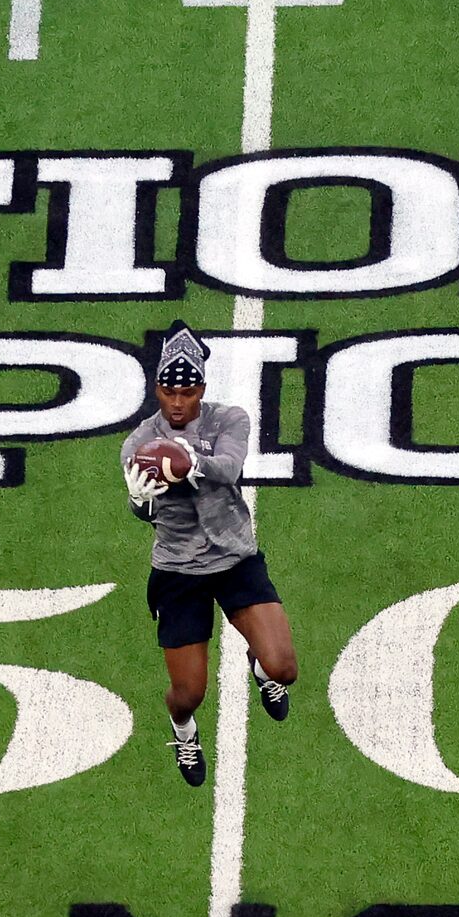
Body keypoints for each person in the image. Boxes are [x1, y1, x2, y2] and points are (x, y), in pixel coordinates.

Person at [122, 323, 298, 786]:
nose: (177, 401)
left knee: (284, 666)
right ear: (156, 388)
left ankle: (261, 669)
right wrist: (140, 502)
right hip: (178, 570)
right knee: (188, 694)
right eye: (168, 390)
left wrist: (190, 462)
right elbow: (143, 510)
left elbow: (230, 466)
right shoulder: (138, 443)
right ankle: (183, 731)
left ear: (201, 387)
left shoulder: (229, 419)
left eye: (187, 390)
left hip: (234, 556)